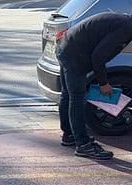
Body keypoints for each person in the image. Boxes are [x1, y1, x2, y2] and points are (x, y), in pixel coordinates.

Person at [56, 11, 132, 160]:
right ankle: (83, 144)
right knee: (77, 98)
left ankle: (69, 135)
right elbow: (98, 56)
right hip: (75, 56)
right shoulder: (125, 28)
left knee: (68, 95)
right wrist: (104, 83)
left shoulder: (123, 21)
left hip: (66, 47)